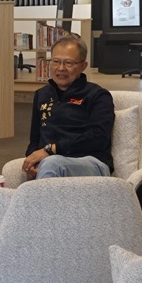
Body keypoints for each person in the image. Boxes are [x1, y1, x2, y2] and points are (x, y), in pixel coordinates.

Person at [21, 35, 115, 180]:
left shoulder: (98, 95)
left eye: (68, 63)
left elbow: (98, 137)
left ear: (83, 66)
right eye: (56, 61)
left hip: (90, 162)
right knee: (46, 164)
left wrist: (52, 150)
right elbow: (35, 140)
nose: (61, 68)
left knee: (52, 164)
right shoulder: (42, 95)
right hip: (50, 162)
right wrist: (32, 159)